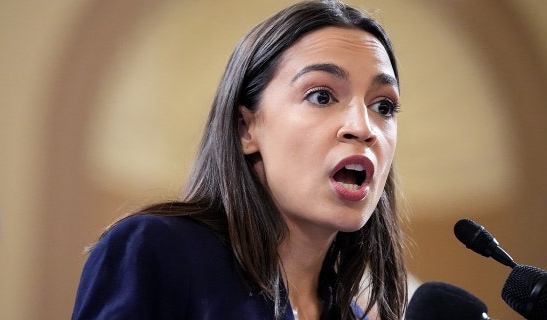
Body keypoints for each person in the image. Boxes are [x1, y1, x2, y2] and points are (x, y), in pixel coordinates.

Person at [71, 0, 407, 319]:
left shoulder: (355, 315)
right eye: (321, 96)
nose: (364, 128)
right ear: (246, 128)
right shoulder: (158, 253)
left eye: (383, 107)